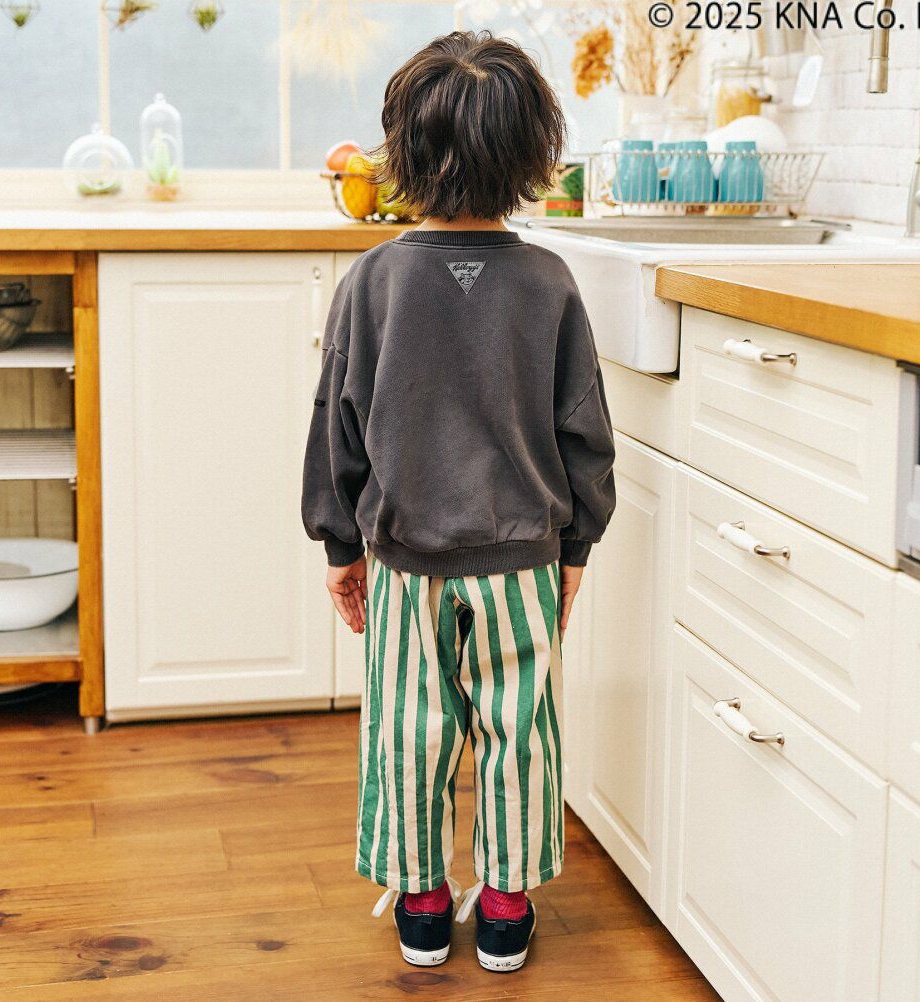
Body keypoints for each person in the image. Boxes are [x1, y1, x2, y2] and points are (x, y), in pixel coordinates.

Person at [301, 29, 616, 974]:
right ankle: (508, 907)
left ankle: (425, 905)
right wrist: (575, 551)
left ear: (401, 153)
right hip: (523, 562)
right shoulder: (550, 283)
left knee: (409, 732)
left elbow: (335, 425)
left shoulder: (373, 281)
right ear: (531, 156)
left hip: (406, 562)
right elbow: (585, 432)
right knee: (520, 730)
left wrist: (339, 548)